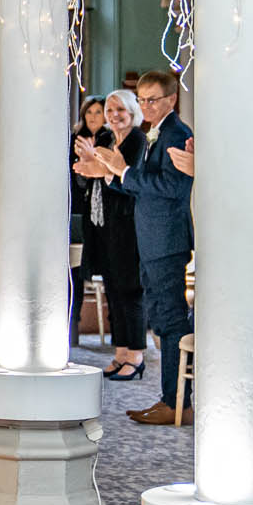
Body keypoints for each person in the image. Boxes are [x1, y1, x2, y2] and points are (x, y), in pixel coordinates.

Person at [77, 69, 193, 424]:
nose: (146, 106)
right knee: (161, 319)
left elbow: (171, 187)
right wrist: (111, 174)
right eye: (141, 99)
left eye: (151, 100)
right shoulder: (156, 133)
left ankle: (177, 402)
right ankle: (170, 397)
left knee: (170, 320)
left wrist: (121, 171)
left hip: (167, 239)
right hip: (152, 238)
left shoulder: (176, 133)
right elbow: (142, 185)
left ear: (171, 100)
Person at [88, 89, 147, 378]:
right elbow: (93, 170)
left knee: (130, 289)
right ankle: (121, 351)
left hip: (131, 223)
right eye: (110, 110)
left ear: (132, 111)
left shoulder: (137, 138)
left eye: (120, 110)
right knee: (114, 289)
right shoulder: (109, 139)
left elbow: (127, 180)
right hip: (108, 222)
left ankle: (135, 354)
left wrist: (102, 169)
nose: (113, 115)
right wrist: (98, 167)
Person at [69, 96, 106, 343]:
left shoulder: (109, 139)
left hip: (102, 213)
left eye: (98, 112)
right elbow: (75, 179)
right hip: (76, 211)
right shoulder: (73, 140)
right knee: (73, 271)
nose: (93, 117)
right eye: (89, 112)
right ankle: (73, 326)